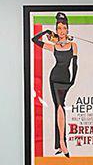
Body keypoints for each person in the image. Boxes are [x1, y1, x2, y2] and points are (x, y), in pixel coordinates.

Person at [32, 11, 79, 156]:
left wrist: (73, 80)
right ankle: (62, 144)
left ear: (68, 29)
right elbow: (35, 40)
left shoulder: (73, 45)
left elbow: (75, 64)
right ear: (56, 30)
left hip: (66, 77)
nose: (62, 31)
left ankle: (59, 144)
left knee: (60, 108)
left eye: (64, 28)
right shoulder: (54, 46)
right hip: (54, 78)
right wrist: (46, 31)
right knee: (59, 107)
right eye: (59, 28)